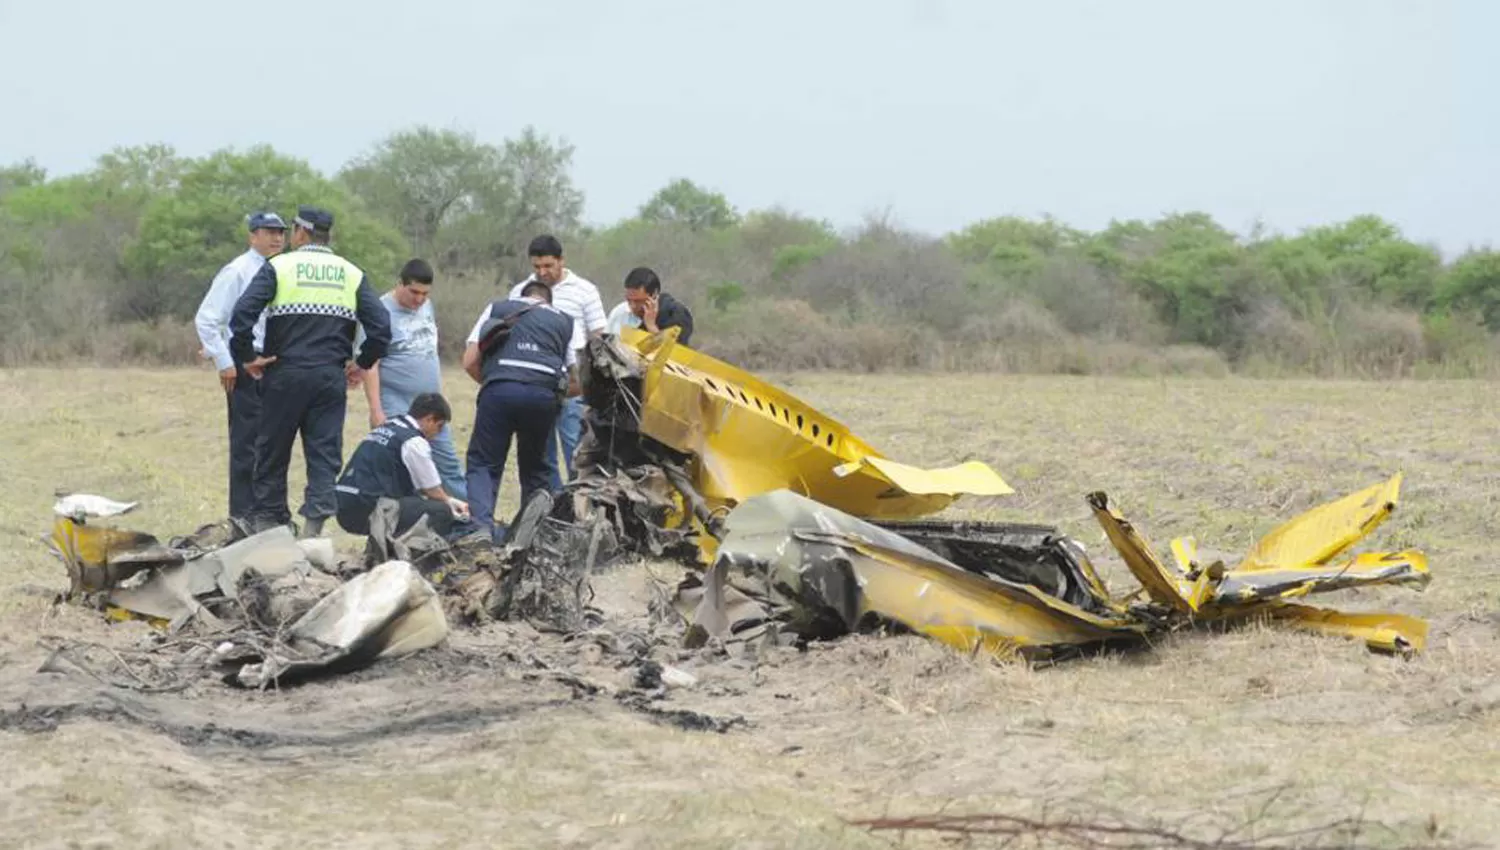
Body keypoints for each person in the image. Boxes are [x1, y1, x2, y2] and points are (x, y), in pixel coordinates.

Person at [229, 205, 392, 538]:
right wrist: (360, 364)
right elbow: (382, 328)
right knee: (323, 456)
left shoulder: (279, 266)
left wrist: (247, 357)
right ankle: (312, 534)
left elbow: (242, 315)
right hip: (328, 379)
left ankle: (270, 528)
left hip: (283, 374)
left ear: (301, 233)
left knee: (272, 452)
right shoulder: (351, 273)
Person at [461, 280, 582, 539]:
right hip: (542, 396)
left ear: (520, 298)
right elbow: (577, 380)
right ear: (548, 301)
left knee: (483, 463)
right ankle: (529, 537)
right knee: (536, 468)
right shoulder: (565, 321)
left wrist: (497, 381)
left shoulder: (498, 308)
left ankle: (480, 532)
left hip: (498, 390)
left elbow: (469, 361)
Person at [193, 211, 287, 518]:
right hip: (244, 363)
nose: (276, 238)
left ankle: (268, 516)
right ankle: (243, 518)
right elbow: (208, 318)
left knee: (272, 445)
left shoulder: (282, 269)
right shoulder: (238, 271)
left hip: (274, 364)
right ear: (252, 236)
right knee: (248, 444)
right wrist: (224, 361)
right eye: (268, 231)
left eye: (280, 232)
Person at [357, 258, 466, 499]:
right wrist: (376, 410)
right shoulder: (379, 312)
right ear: (400, 284)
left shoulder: (427, 306)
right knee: (400, 467)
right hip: (395, 402)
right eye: (413, 292)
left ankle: (470, 521)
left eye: (424, 294)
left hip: (429, 403)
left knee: (448, 464)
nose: (419, 299)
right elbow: (369, 363)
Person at [506, 235, 605, 490]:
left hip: (574, 386)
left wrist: (591, 383)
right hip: (536, 385)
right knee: (542, 454)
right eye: (537, 267)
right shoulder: (521, 292)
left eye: (548, 266)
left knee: (577, 451)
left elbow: (598, 338)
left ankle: (581, 507)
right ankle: (551, 510)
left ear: (561, 261)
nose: (542, 272)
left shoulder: (585, 290)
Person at [334, 392, 470, 539]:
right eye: (439, 426)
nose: (438, 433)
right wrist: (451, 504)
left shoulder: (387, 427)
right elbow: (431, 489)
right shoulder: (413, 441)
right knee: (440, 511)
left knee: (411, 501)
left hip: (344, 505)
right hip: (369, 509)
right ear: (429, 419)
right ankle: (413, 555)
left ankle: (382, 546)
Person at [604, 266, 695, 345]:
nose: (632, 306)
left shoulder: (676, 314)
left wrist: (651, 326)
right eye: (629, 300)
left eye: (638, 301)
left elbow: (676, 354)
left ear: (654, 294)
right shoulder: (619, 313)